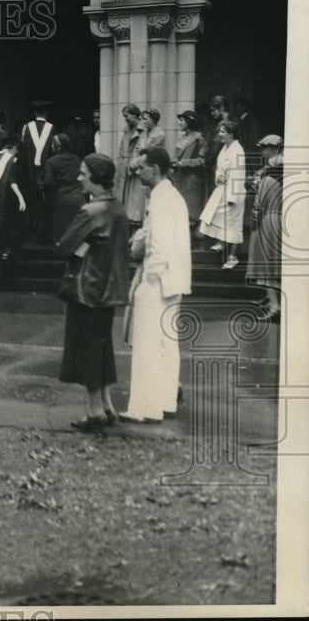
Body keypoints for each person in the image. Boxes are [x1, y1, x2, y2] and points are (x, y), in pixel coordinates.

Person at [55, 153, 131, 429]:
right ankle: (107, 404)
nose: (79, 178)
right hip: (110, 289)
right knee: (102, 347)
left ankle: (94, 409)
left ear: (96, 178)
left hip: (86, 289)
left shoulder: (90, 211)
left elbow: (64, 246)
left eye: (83, 173)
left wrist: (82, 248)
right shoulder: (119, 208)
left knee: (85, 350)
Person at [121, 147, 192, 424]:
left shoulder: (162, 198)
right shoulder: (171, 195)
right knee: (165, 344)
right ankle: (163, 402)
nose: (138, 172)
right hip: (173, 281)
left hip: (158, 280)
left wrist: (147, 280)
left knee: (147, 345)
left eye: (142, 167)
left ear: (155, 168)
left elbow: (159, 246)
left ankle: (144, 407)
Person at [246, 135, 284, 322]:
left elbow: (259, 205)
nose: (262, 152)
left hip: (268, 221)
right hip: (283, 220)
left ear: (272, 149)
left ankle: (275, 306)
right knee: (275, 266)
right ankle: (274, 302)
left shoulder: (269, 177)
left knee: (266, 267)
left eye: (264, 148)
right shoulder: (288, 174)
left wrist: (253, 220)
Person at [199, 120, 246, 269]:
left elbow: (238, 175)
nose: (219, 135)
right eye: (219, 131)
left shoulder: (238, 150)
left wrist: (232, 197)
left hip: (234, 192)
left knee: (233, 224)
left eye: (222, 132)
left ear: (231, 133)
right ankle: (221, 241)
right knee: (213, 215)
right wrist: (218, 176)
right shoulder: (225, 148)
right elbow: (219, 168)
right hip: (223, 188)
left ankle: (232, 257)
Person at [0, 134, 27, 286]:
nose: (17, 152)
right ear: (13, 147)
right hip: (4, 204)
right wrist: (21, 197)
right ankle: (4, 275)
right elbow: (11, 180)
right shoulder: (12, 160)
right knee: (6, 238)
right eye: (17, 149)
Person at [19, 99, 55, 242]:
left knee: (30, 202)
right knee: (44, 203)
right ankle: (42, 232)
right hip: (46, 172)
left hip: (28, 173)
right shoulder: (53, 129)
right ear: (47, 112)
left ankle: (30, 231)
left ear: (34, 112)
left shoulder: (26, 128)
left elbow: (23, 150)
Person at [42, 133, 87, 245]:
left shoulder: (51, 162)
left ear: (58, 146)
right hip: (78, 197)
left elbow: (48, 182)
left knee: (62, 229)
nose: (51, 146)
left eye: (53, 144)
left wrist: (45, 193)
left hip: (61, 198)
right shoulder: (76, 159)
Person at [170, 110, 208, 236]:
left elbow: (202, 160)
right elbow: (176, 155)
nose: (179, 123)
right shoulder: (181, 137)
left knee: (191, 211)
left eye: (182, 120)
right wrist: (174, 161)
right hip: (179, 178)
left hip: (191, 180)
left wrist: (184, 163)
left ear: (190, 122)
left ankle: (192, 242)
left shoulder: (199, 138)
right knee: (179, 209)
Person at [114, 104, 144, 223]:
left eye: (127, 116)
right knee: (122, 200)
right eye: (124, 116)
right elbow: (121, 150)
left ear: (135, 115)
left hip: (135, 170)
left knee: (134, 204)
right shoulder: (126, 130)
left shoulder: (143, 131)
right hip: (123, 168)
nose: (125, 119)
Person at [202, 96, 229, 202]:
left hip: (218, 165)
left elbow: (215, 149)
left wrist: (205, 162)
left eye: (213, 110)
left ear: (221, 108)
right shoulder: (230, 121)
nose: (212, 113)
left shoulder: (222, 125)